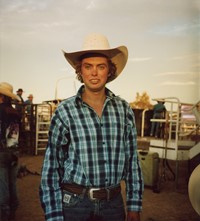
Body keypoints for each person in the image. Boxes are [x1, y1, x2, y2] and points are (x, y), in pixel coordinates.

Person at [39, 33, 144, 221]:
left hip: (113, 205)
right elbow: (51, 168)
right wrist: (54, 216)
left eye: (100, 66)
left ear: (109, 71)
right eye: (88, 66)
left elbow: (132, 163)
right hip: (74, 205)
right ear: (81, 71)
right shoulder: (64, 111)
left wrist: (134, 206)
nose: (94, 73)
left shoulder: (123, 109)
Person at [0, 82, 21, 221]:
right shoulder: (15, 112)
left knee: (2, 184)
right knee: (12, 182)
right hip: (14, 152)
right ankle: (13, 208)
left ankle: (5, 212)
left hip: (1, 152)